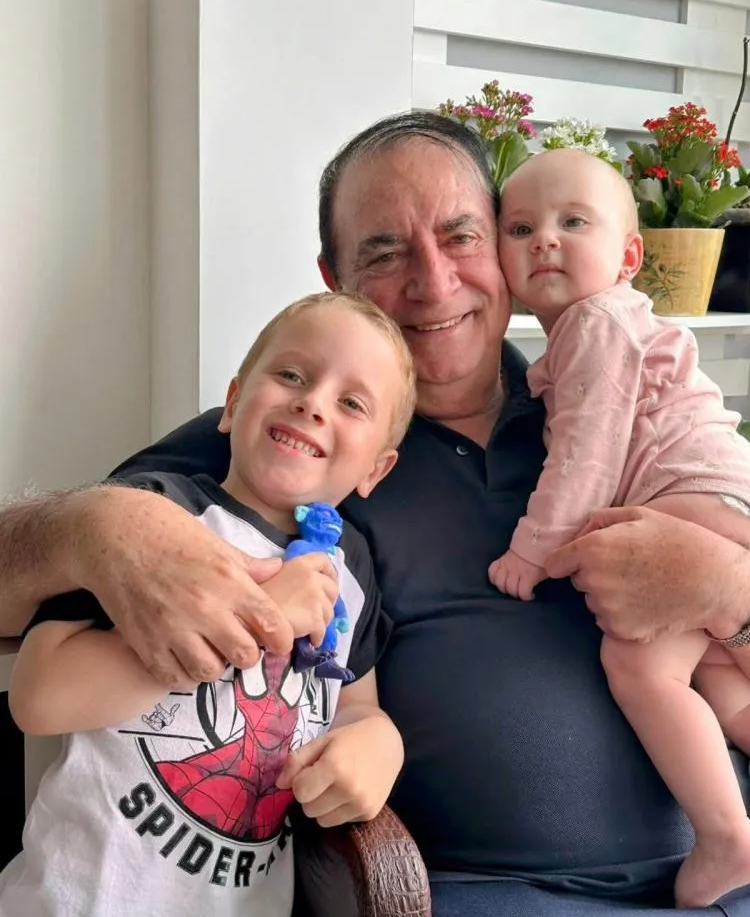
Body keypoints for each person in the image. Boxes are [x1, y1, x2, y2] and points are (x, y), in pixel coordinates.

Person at [3, 113, 750, 916]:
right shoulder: (303, 447)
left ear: (505, 248)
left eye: (461, 237)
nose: (433, 281)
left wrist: (729, 591)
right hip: (485, 894)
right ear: (335, 278)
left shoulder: (615, 408)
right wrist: (92, 528)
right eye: (385, 252)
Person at [0, 291, 413, 917]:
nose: (312, 402)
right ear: (234, 403)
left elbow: (354, 704)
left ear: (375, 471)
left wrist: (382, 743)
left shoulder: (351, 569)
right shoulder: (155, 517)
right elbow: (40, 697)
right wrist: (261, 615)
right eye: (291, 374)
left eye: (352, 403)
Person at [489, 148, 750, 908]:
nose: (545, 239)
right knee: (717, 679)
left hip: (688, 495)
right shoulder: (599, 328)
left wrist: (534, 549)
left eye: (574, 222)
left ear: (628, 257)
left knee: (639, 667)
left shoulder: (596, 323)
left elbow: (588, 454)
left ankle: (728, 838)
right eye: (520, 228)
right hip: (718, 494)